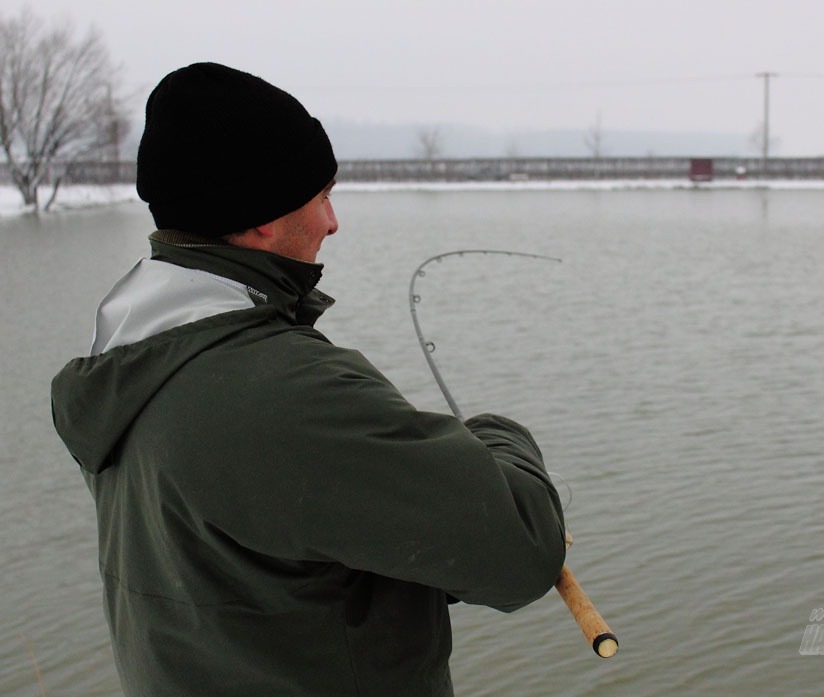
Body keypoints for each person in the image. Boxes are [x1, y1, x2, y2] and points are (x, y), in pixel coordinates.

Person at [50, 62, 566, 697]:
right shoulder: (286, 392)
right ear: (263, 215)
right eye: (322, 194)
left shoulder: (124, 360)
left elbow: (262, 562)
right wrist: (498, 435)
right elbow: (522, 551)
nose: (332, 221)